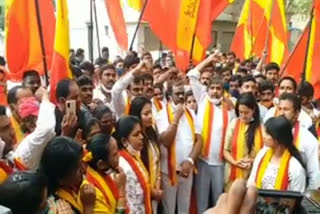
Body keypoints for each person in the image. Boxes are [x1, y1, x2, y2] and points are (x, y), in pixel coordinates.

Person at [188, 56, 234, 213]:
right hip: (202, 161)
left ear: (223, 90)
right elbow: (193, 74)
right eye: (212, 88)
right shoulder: (202, 99)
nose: (215, 91)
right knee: (201, 203)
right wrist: (210, 59)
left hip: (220, 163)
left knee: (218, 203)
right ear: (207, 89)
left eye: (218, 88)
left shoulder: (229, 108)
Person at [155, 81, 202, 214]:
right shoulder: (162, 115)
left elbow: (199, 140)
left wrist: (190, 161)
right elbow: (166, 141)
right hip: (169, 170)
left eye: (182, 93)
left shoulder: (191, 114)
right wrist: (176, 118)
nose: (181, 97)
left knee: (184, 207)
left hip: (187, 169)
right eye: (177, 94)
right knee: (169, 209)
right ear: (169, 96)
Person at [273, 93, 320, 189]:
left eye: (286, 109)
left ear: (297, 113)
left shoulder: (307, 139)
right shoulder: (271, 134)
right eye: (280, 109)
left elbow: (315, 176)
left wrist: (305, 201)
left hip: (294, 194)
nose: (281, 113)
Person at [248, 116, 306, 192]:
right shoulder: (262, 154)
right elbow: (251, 182)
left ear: (278, 138)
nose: (263, 136)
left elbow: (295, 197)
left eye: (267, 134)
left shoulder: (295, 168)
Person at [40, 136, 96, 214]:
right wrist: (88, 207)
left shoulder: (68, 185)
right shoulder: (56, 208)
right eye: (78, 167)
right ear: (61, 179)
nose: (83, 169)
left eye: (82, 162)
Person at [129, 97, 163, 213]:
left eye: (150, 113)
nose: (150, 116)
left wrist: (157, 187)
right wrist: (150, 191)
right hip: (141, 193)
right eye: (145, 114)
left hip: (155, 188)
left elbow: (157, 162)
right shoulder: (134, 141)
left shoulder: (152, 134)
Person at [223, 93, 263, 191]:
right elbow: (225, 150)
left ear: (253, 110)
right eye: (240, 112)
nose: (243, 116)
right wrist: (235, 162)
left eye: (246, 112)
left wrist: (252, 161)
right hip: (233, 173)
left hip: (253, 174)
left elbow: (265, 156)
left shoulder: (261, 129)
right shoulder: (233, 124)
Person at [114, 116, 152, 214]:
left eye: (141, 133)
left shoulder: (134, 156)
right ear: (124, 141)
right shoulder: (124, 167)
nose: (141, 137)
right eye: (136, 134)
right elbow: (131, 206)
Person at [82, 134, 127, 214]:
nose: (119, 156)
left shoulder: (104, 174)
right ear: (101, 164)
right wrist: (121, 192)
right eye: (115, 154)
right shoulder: (92, 191)